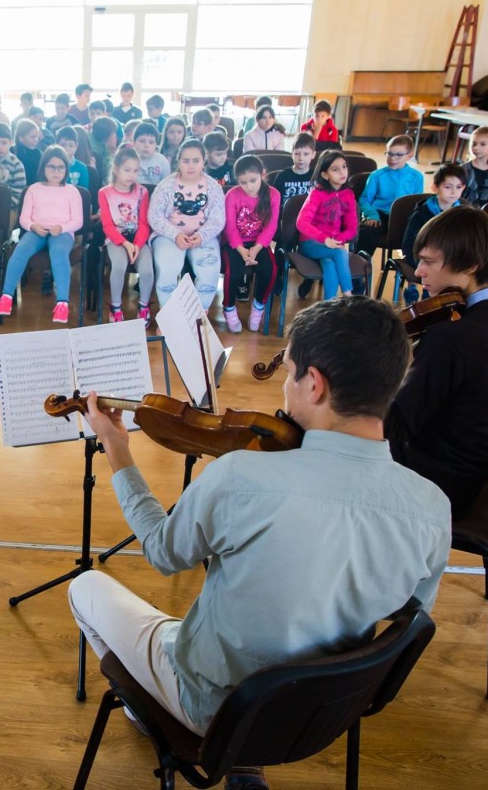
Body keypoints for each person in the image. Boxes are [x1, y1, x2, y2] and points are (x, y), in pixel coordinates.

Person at [70, 296, 449, 790]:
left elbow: (163, 552)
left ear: (315, 384)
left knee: (86, 588)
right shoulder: (432, 507)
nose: (286, 392)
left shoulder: (242, 478)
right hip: (321, 716)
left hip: (216, 708)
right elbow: (409, 616)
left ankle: (153, 711)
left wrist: (118, 451)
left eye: (290, 374)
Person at [386, 205, 488, 518]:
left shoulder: (452, 337)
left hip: (437, 481)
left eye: (428, 262)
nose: (418, 271)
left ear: (472, 266)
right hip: (471, 468)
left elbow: (394, 427)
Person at [0, 146, 83, 324]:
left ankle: (62, 303)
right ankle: (6, 296)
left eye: (60, 167)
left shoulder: (72, 191)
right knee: (21, 250)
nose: (56, 171)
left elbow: (78, 221)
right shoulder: (34, 189)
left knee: (59, 253)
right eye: (51, 166)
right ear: (43, 168)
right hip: (37, 230)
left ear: (66, 169)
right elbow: (24, 217)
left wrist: (62, 227)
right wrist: (33, 226)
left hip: (62, 232)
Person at [148, 139, 225, 310]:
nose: (191, 166)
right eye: (186, 161)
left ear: (203, 161)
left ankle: (198, 315)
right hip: (168, 236)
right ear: (178, 161)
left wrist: (202, 235)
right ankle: (167, 316)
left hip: (202, 236)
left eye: (196, 161)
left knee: (209, 268)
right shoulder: (166, 185)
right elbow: (154, 216)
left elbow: (218, 219)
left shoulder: (213, 187)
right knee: (169, 266)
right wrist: (175, 234)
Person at [222, 155, 280, 333]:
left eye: (253, 180)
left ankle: (258, 306)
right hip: (235, 244)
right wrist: (241, 250)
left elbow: (271, 225)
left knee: (270, 269)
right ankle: (229, 308)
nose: (248, 186)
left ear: (263, 175)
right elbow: (230, 227)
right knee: (233, 272)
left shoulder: (273, 194)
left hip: (258, 244)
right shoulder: (232, 195)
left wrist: (257, 248)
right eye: (243, 182)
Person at [99, 147, 153, 326]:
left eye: (136, 170)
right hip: (116, 238)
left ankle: (144, 306)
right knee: (120, 265)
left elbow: (144, 223)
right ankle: (115, 306)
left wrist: (137, 245)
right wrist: (125, 244)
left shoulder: (142, 192)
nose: (131, 175)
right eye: (127, 170)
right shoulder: (105, 192)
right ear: (116, 169)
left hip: (138, 238)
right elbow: (107, 225)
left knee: (146, 268)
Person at [399, 163, 466, 303]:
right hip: (424, 259)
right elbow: (408, 244)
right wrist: (423, 262)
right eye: (448, 187)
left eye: (458, 187)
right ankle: (423, 303)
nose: (454, 192)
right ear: (435, 188)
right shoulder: (421, 214)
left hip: (450, 259)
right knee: (436, 275)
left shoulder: (463, 214)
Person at [296, 150, 358, 300]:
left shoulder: (348, 195)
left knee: (330, 265)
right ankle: (348, 295)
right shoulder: (317, 194)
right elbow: (301, 222)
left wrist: (338, 239)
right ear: (325, 174)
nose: (342, 172)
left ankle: (329, 304)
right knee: (341, 253)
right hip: (310, 244)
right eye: (335, 169)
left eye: (344, 167)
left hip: (332, 245)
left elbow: (352, 228)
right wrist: (325, 239)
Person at [357, 135, 423, 254]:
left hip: (403, 216)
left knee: (418, 234)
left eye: (398, 155)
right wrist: (372, 215)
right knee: (368, 230)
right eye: (389, 153)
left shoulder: (417, 177)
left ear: (410, 155)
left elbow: (417, 202)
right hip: (380, 214)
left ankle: (409, 265)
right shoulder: (376, 176)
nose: (393, 158)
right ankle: (361, 264)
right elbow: (365, 199)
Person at [0, 122, 26, 212]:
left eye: (4, 143)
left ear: (11, 143)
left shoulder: (17, 165)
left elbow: (19, 193)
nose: (0, 147)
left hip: (8, 208)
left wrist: (2, 206)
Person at [271, 133, 316, 207]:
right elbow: (274, 203)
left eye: (306, 154)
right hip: (286, 217)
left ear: (313, 154)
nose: (301, 158)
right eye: (297, 154)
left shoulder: (317, 176)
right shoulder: (282, 177)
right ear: (292, 154)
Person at [13, 119, 43, 185]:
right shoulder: (12, 152)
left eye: (37, 137)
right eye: (33, 137)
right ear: (21, 138)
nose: (36, 140)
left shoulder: (38, 153)